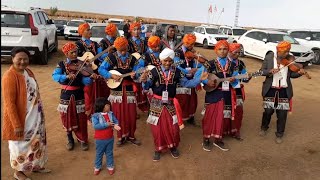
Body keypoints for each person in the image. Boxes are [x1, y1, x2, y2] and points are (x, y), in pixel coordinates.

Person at [140, 48, 208, 161]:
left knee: (173, 127)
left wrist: (199, 79)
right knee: (157, 128)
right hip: (156, 102)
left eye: (170, 61)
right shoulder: (154, 71)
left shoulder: (177, 72)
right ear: (161, 60)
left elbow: (187, 83)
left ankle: (172, 147)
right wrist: (143, 81)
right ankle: (158, 149)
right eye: (165, 61)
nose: (167, 63)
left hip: (171, 102)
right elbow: (147, 86)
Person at [2, 47, 51, 180]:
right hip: (21, 119)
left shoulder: (28, 72)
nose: (22, 62)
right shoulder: (9, 77)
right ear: (12, 59)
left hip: (35, 117)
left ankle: (36, 166)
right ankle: (18, 172)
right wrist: (16, 125)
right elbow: (9, 104)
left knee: (37, 142)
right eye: (19, 59)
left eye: (25, 59)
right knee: (20, 146)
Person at [98, 37, 145, 146]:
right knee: (118, 114)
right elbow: (101, 69)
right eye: (121, 50)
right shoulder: (111, 57)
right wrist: (110, 75)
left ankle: (131, 136)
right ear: (117, 48)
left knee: (131, 114)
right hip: (116, 91)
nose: (123, 52)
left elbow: (139, 72)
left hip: (129, 90)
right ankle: (120, 137)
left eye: (125, 49)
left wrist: (136, 74)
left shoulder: (133, 58)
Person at [52, 42, 97, 151]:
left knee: (81, 117)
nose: (74, 54)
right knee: (66, 117)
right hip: (66, 95)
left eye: (76, 52)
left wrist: (91, 78)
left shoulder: (82, 64)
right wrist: (66, 76)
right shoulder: (61, 64)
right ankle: (70, 139)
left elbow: (84, 81)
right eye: (72, 52)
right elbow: (55, 76)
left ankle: (82, 140)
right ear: (66, 53)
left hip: (78, 93)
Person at [259, 41, 305, 144]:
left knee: (282, 114)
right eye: (284, 52)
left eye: (288, 52)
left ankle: (279, 134)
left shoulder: (289, 59)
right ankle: (264, 127)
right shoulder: (269, 57)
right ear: (278, 50)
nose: (286, 54)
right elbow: (262, 71)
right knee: (268, 111)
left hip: (284, 91)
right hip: (270, 89)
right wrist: (269, 71)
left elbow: (292, 75)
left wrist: (300, 73)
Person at [201, 40, 236, 152]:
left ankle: (218, 139)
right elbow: (202, 77)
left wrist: (234, 80)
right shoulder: (209, 64)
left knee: (223, 117)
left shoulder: (233, 65)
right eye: (220, 49)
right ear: (216, 50)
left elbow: (236, 82)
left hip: (226, 93)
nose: (222, 51)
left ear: (228, 50)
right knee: (209, 116)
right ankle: (206, 138)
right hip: (213, 93)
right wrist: (207, 82)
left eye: (225, 49)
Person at [76, 23, 108, 120]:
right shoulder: (78, 44)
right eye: (87, 30)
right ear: (82, 32)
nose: (90, 31)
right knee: (88, 94)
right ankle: (89, 114)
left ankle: (99, 112)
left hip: (96, 71)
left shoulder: (95, 44)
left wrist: (107, 56)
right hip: (85, 73)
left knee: (99, 91)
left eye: (90, 29)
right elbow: (76, 59)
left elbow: (101, 55)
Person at [174, 34, 203, 125]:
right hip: (181, 78)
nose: (191, 46)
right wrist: (189, 71)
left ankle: (190, 117)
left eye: (192, 44)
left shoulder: (191, 52)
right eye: (189, 44)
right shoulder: (177, 53)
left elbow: (194, 63)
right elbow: (176, 66)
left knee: (191, 100)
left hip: (191, 78)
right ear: (185, 42)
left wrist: (196, 68)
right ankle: (179, 118)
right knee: (181, 99)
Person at [225, 43, 251, 140]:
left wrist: (248, 77)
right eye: (236, 52)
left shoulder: (241, 63)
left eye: (239, 52)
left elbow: (245, 77)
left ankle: (236, 130)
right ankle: (223, 130)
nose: (238, 55)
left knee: (238, 111)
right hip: (224, 90)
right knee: (225, 110)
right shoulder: (223, 62)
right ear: (229, 52)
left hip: (237, 90)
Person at [91, 97, 121, 175]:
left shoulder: (111, 113)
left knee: (109, 153)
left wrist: (116, 125)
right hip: (100, 139)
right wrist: (106, 124)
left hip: (110, 138)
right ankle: (97, 167)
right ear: (102, 107)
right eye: (107, 105)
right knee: (99, 153)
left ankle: (110, 166)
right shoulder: (95, 116)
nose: (109, 106)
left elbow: (115, 121)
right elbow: (96, 126)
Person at [128, 22, 149, 113]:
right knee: (133, 88)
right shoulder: (128, 42)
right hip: (132, 66)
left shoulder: (144, 41)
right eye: (134, 30)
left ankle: (143, 104)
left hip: (142, 65)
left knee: (143, 85)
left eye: (138, 29)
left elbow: (147, 52)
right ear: (131, 31)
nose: (137, 32)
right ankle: (133, 109)